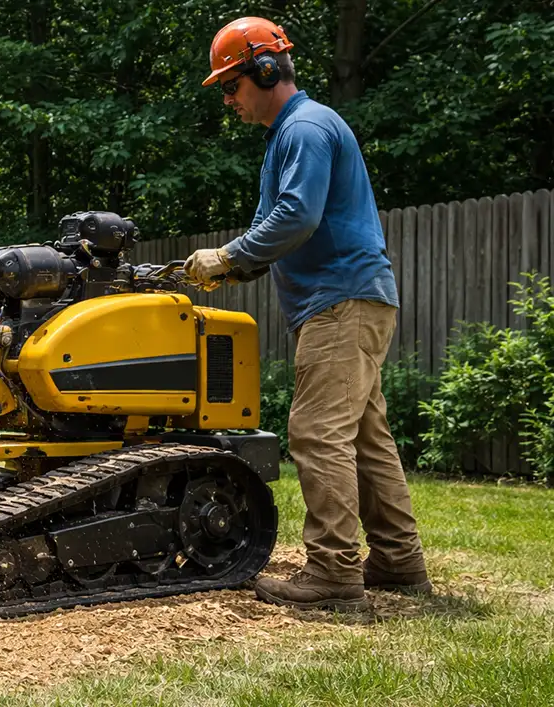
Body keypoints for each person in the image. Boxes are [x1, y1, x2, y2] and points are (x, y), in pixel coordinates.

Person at [185, 17, 431, 609]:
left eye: (231, 85)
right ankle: (398, 561)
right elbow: (294, 229)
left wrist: (227, 254)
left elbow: (297, 217)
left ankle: (333, 576)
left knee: (316, 434)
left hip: (340, 304)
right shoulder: (291, 135)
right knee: (366, 439)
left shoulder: (306, 128)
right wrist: (239, 267)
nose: (228, 99)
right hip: (354, 299)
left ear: (265, 71)